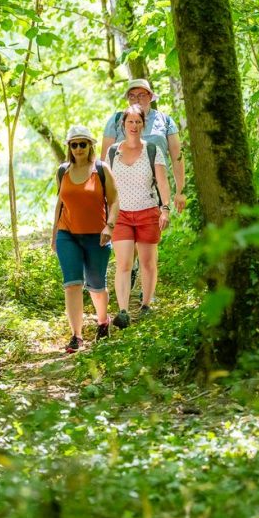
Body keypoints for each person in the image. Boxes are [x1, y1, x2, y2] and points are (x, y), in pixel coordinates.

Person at [51, 126, 119, 353]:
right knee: (72, 284)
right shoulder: (63, 171)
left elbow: (114, 201)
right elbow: (60, 204)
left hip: (97, 236)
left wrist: (110, 226)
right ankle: (76, 336)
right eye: (74, 144)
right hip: (67, 234)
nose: (78, 148)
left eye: (82, 144)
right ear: (69, 147)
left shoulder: (101, 169)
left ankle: (103, 322)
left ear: (90, 145)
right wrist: (54, 234)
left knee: (96, 286)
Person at [106, 105, 170, 329]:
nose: (134, 126)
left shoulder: (152, 150)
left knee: (147, 263)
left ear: (143, 124)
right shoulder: (113, 152)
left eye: (138, 122)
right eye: (130, 122)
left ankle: (146, 306)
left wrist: (165, 208)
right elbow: (107, 186)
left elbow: (162, 182)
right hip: (121, 215)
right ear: (123, 125)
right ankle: (123, 311)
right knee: (123, 263)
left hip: (147, 212)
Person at [101, 79, 186, 214]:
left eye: (141, 95)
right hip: (122, 191)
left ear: (150, 97)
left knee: (154, 226)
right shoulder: (116, 121)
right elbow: (105, 162)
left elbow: (177, 157)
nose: (137, 100)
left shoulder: (165, 121)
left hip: (156, 188)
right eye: (132, 96)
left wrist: (180, 191)